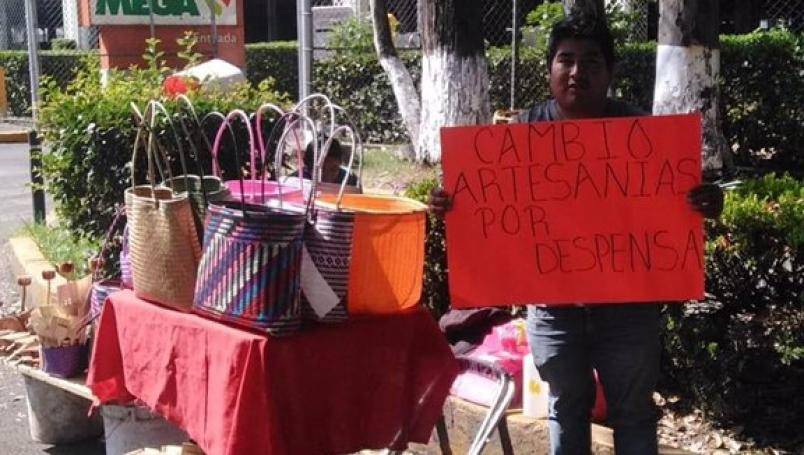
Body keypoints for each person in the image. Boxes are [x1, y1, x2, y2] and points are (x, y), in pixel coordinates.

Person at [429, 14, 724, 455]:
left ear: (610, 72)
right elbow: (488, 211)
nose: (577, 72)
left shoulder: (644, 136)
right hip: (554, 311)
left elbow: (677, 200)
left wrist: (705, 202)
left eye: (591, 61)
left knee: (633, 413)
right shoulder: (518, 137)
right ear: (549, 69)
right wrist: (451, 205)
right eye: (566, 60)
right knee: (565, 407)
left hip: (627, 308)